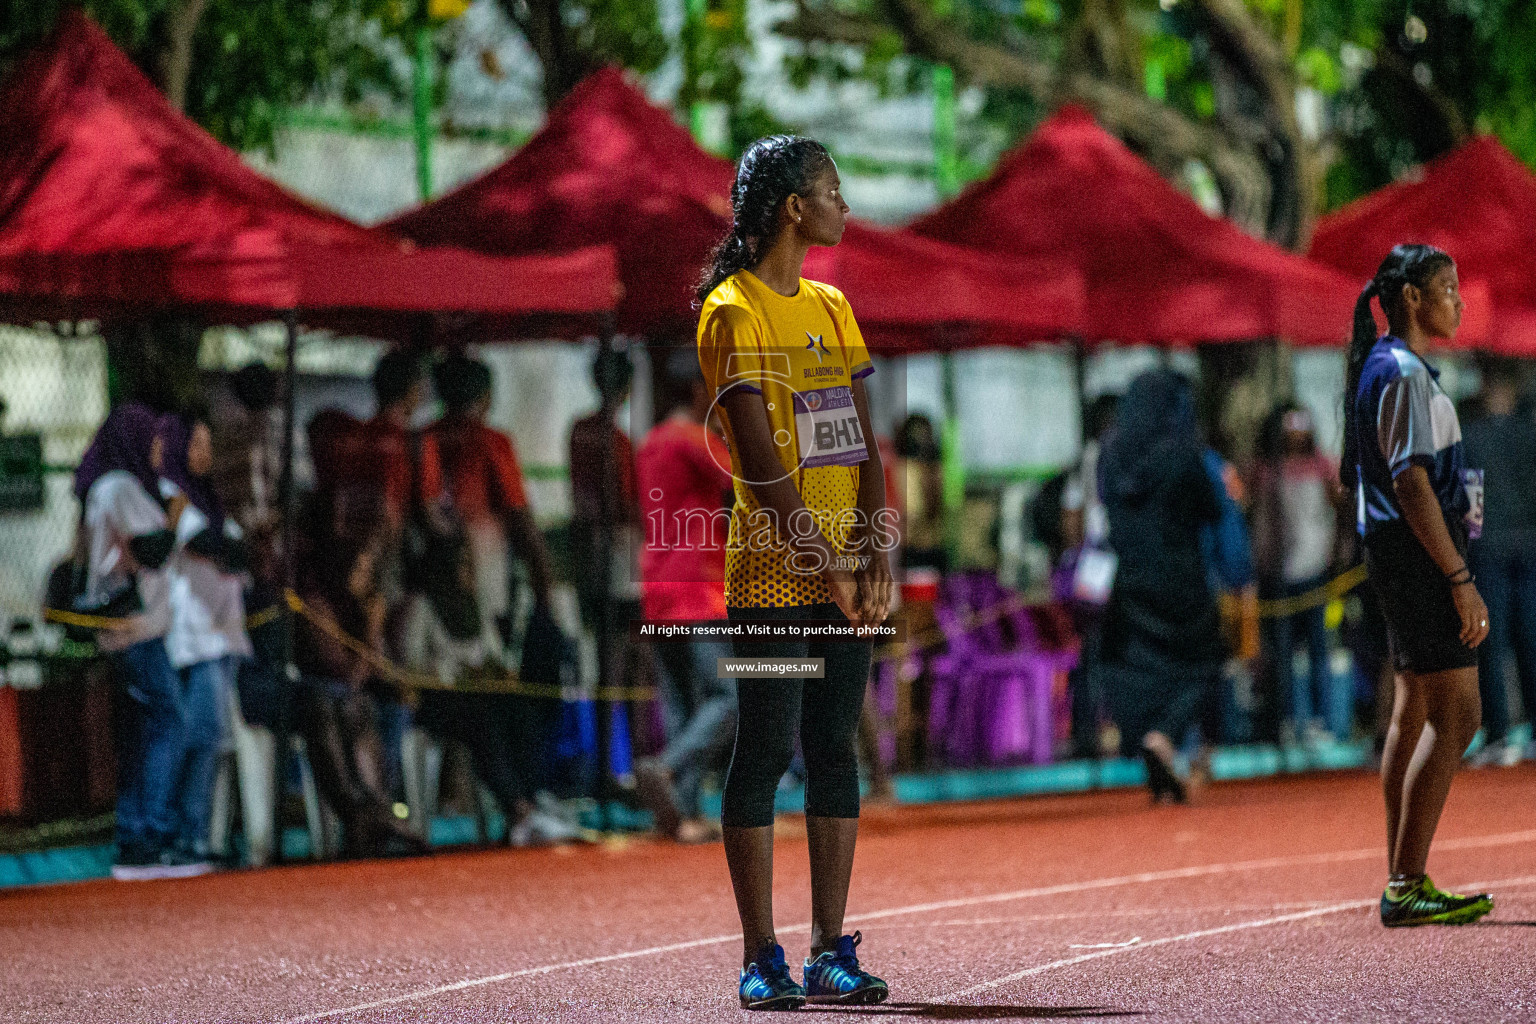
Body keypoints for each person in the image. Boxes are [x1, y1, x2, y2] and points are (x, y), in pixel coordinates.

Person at [697, 134, 893, 1010]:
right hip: (773, 579)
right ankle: (759, 955)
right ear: (792, 209)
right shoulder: (731, 311)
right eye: (834, 192)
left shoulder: (833, 307)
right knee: (767, 746)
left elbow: (860, 443)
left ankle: (828, 950)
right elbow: (763, 463)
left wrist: (874, 549)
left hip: (845, 571)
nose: (845, 207)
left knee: (834, 747)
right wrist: (824, 563)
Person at [1343, 243, 1492, 927]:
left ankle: (1402, 872)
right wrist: (1459, 577)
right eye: (1448, 288)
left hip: (1397, 553)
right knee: (1458, 713)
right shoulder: (1401, 372)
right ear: (1411, 298)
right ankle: (1405, 882)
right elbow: (1409, 481)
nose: (1459, 302)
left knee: (1412, 710)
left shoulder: (1387, 367)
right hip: (1419, 556)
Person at [74, 403, 208, 880]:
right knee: (169, 720)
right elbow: (149, 552)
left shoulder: (119, 486)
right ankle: (152, 834)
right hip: (132, 631)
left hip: (140, 630)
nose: (158, 449)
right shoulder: (119, 487)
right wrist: (174, 514)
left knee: (141, 733)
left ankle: (135, 838)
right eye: (150, 439)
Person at [1097, 369, 1223, 804]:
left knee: (1142, 668)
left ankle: (1154, 744)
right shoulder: (1182, 453)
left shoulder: (1110, 452)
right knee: (1204, 662)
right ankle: (1164, 738)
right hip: (1181, 576)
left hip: (1129, 578)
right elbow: (1212, 509)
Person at [632, 351, 737, 844]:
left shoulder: (651, 442)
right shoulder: (696, 439)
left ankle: (683, 813)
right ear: (699, 389)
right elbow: (749, 482)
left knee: (681, 702)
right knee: (729, 697)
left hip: (657, 585)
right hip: (700, 588)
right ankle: (667, 768)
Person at [157, 410, 253, 861]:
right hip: (196, 635)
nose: (206, 454)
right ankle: (185, 833)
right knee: (204, 734)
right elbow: (211, 545)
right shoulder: (171, 494)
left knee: (213, 738)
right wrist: (238, 548)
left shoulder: (208, 498)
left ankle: (199, 834)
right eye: (197, 444)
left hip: (225, 631)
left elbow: (239, 549)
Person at [421, 354, 554, 662]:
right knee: (485, 661)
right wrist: (543, 583)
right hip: (483, 572)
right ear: (486, 397)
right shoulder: (491, 442)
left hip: (427, 574)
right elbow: (519, 516)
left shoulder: (423, 438)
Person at [1254, 405, 1347, 744]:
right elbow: (1263, 524)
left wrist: (1338, 556)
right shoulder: (1268, 471)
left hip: (1317, 571)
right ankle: (1288, 718)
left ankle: (1321, 720)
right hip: (1280, 575)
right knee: (1281, 653)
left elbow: (1340, 513)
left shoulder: (1323, 466)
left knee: (1319, 648)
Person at [1461, 369, 1536, 767]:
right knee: (1530, 639)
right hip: (1529, 544)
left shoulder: (1473, 438)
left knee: (1492, 642)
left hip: (1489, 547)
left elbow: (1471, 503)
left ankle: (1499, 732)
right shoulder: (1529, 433)